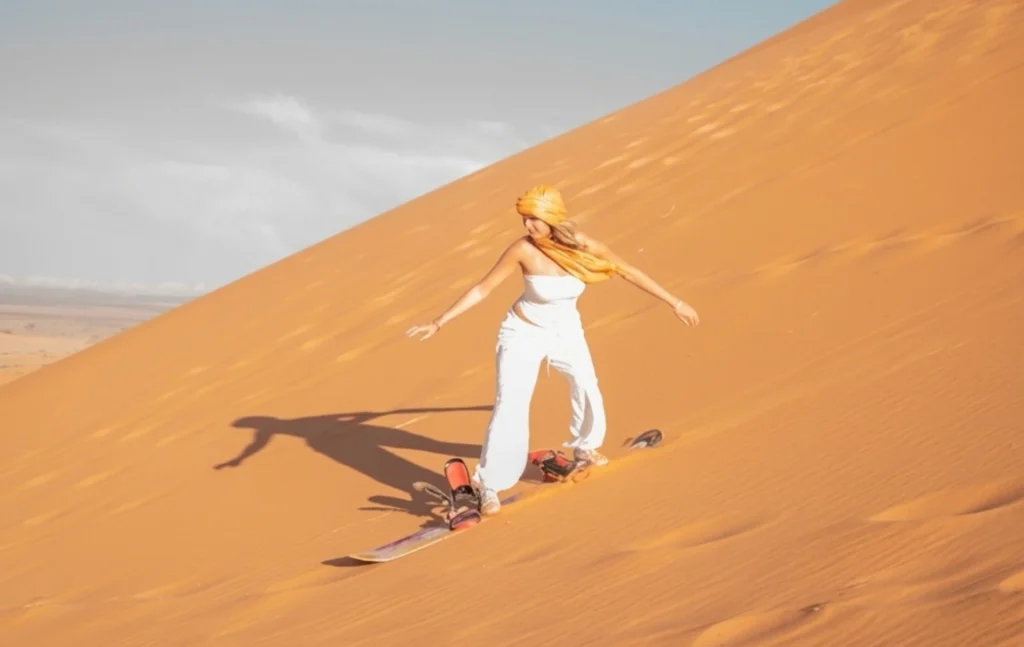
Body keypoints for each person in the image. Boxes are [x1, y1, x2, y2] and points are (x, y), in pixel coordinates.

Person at [406, 184, 699, 515]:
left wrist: (675, 302)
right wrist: (439, 321)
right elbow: (482, 289)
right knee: (511, 405)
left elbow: (628, 270)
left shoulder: (582, 245)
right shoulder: (522, 250)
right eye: (524, 219)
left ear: (552, 218)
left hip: (565, 332)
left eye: (534, 219)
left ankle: (585, 449)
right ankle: (489, 484)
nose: (527, 226)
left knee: (587, 385)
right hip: (522, 333)